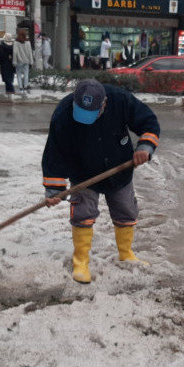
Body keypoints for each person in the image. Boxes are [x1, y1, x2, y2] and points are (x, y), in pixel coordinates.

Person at [41, 79, 161, 283]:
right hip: (82, 174)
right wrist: (53, 188)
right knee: (82, 214)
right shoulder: (63, 114)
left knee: (126, 211)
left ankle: (126, 254)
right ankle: (81, 262)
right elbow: (55, 152)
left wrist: (145, 146)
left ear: (104, 103)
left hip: (119, 168)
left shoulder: (121, 100)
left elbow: (148, 121)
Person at [13, 28, 34, 94]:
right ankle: (25, 87)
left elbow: (15, 52)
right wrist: (31, 61)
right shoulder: (28, 42)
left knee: (18, 74)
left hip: (19, 61)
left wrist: (14, 61)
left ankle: (21, 88)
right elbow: (30, 52)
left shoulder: (16, 42)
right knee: (26, 74)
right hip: (26, 61)